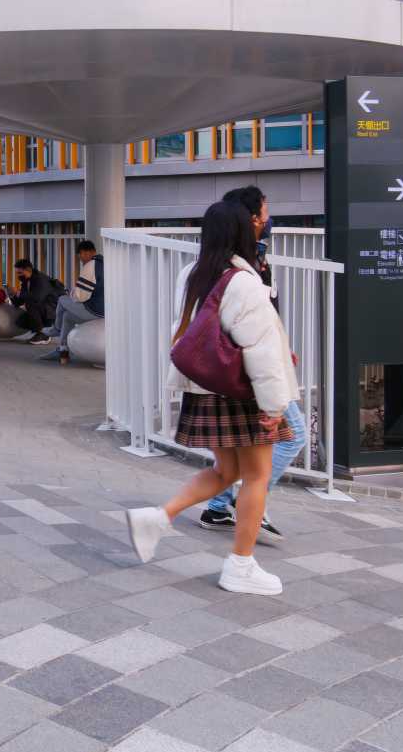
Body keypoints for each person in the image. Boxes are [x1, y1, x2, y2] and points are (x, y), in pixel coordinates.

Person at [124, 199, 298, 595]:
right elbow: (260, 350)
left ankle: (158, 517)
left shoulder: (193, 273)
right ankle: (241, 565)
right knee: (257, 476)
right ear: (242, 232)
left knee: (226, 472)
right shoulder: (244, 281)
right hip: (242, 392)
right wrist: (274, 407)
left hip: (206, 389)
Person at [198, 187, 293, 543]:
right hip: (250, 373)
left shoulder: (235, 260)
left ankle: (219, 506)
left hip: (242, 370)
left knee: (231, 463)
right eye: (264, 213)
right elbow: (251, 329)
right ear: (249, 219)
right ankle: (243, 506)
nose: (268, 219)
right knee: (290, 436)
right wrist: (273, 398)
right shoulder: (240, 267)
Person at [37, 240, 104, 362]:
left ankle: (55, 329)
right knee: (68, 316)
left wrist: (72, 293)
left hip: (94, 310)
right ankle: (63, 351)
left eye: (80, 257)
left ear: (85, 253)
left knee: (62, 299)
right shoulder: (105, 264)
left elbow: (81, 297)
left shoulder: (91, 265)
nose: (81, 260)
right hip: (106, 310)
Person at [8, 258, 62, 343]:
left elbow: (36, 298)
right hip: (43, 310)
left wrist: (18, 293)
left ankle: (44, 335)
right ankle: (40, 332)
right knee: (21, 321)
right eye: (17, 273)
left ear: (28, 270)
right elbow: (19, 302)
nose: (18, 276)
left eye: (20, 273)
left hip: (52, 312)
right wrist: (12, 295)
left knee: (30, 302)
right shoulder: (26, 282)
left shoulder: (41, 279)